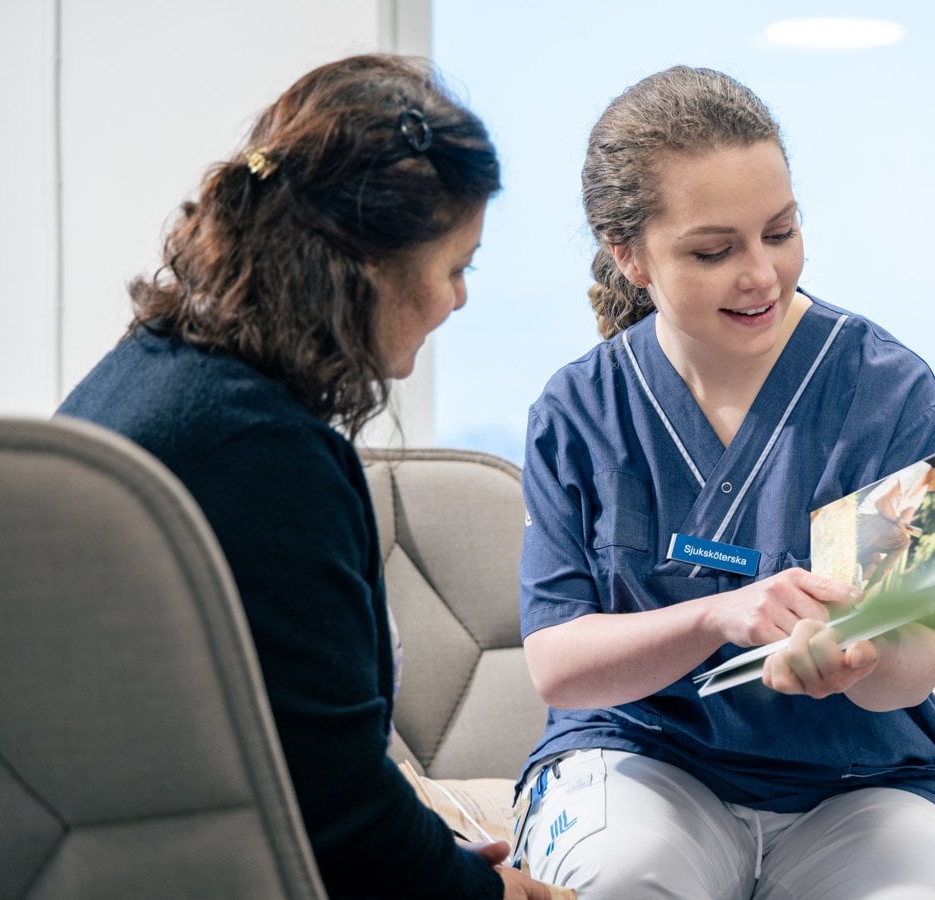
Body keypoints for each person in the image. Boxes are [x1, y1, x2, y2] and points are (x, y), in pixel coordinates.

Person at [57, 53, 560, 900]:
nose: (461, 300)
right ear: (364, 269)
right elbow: (337, 816)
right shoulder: (259, 456)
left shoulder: (155, 373)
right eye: (455, 267)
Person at [513, 66, 935, 899]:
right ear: (628, 256)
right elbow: (557, 664)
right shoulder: (578, 407)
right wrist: (714, 615)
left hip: (863, 784)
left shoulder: (894, 392)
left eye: (780, 231)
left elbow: (921, 661)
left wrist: (862, 654)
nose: (762, 274)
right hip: (642, 760)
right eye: (714, 250)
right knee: (622, 879)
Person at [856, 451, 935, 589]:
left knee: (874, 565)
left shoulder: (922, 490)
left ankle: (862, 578)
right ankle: (864, 593)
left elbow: (905, 519)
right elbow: (882, 502)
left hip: (877, 526)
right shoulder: (916, 472)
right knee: (903, 543)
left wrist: (903, 526)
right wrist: (898, 522)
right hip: (867, 516)